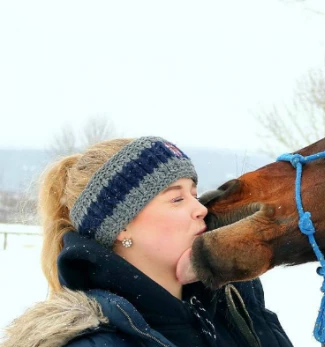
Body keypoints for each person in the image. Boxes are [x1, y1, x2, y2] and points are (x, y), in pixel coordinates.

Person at [1, 136, 293, 347]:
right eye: (177, 198)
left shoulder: (238, 308)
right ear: (120, 226)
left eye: (194, 192)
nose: (200, 208)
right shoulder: (98, 342)